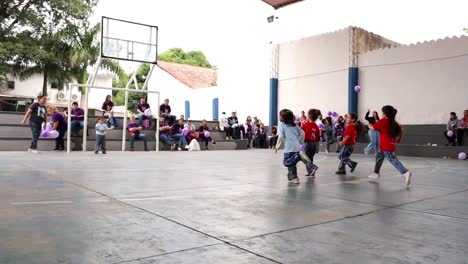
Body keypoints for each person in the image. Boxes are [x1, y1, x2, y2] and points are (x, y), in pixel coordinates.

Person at [368, 105, 412, 187]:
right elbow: (401, 130)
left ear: (384, 113)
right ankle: (376, 173)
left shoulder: (383, 121)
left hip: (386, 146)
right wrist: (398, 140)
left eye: (381, 112)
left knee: (392, 159)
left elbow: (373, 127)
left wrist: (368, 126)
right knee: (379, 156)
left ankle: (405, 172)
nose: (381, 114)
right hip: (390, 145)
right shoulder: (394, 122)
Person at [275, 109, 318, 184]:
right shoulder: (295, 125)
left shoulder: (281, 125)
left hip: (289, 148)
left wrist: (277, 146)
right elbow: (303, 133)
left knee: (287, 163)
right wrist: (301, 142)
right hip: (297, 146)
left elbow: (281, 136)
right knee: (292, 164)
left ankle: (299, 161)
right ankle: (294, 177)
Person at [301, 109, 321, 177]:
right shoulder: (316, 126)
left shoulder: (305, 125)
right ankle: (311, 172)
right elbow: (318, 137)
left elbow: (300, 133)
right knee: (310, 158)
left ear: (309, 116)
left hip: (307, 143)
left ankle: (312, 168)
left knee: (304, 158)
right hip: (314, 144)